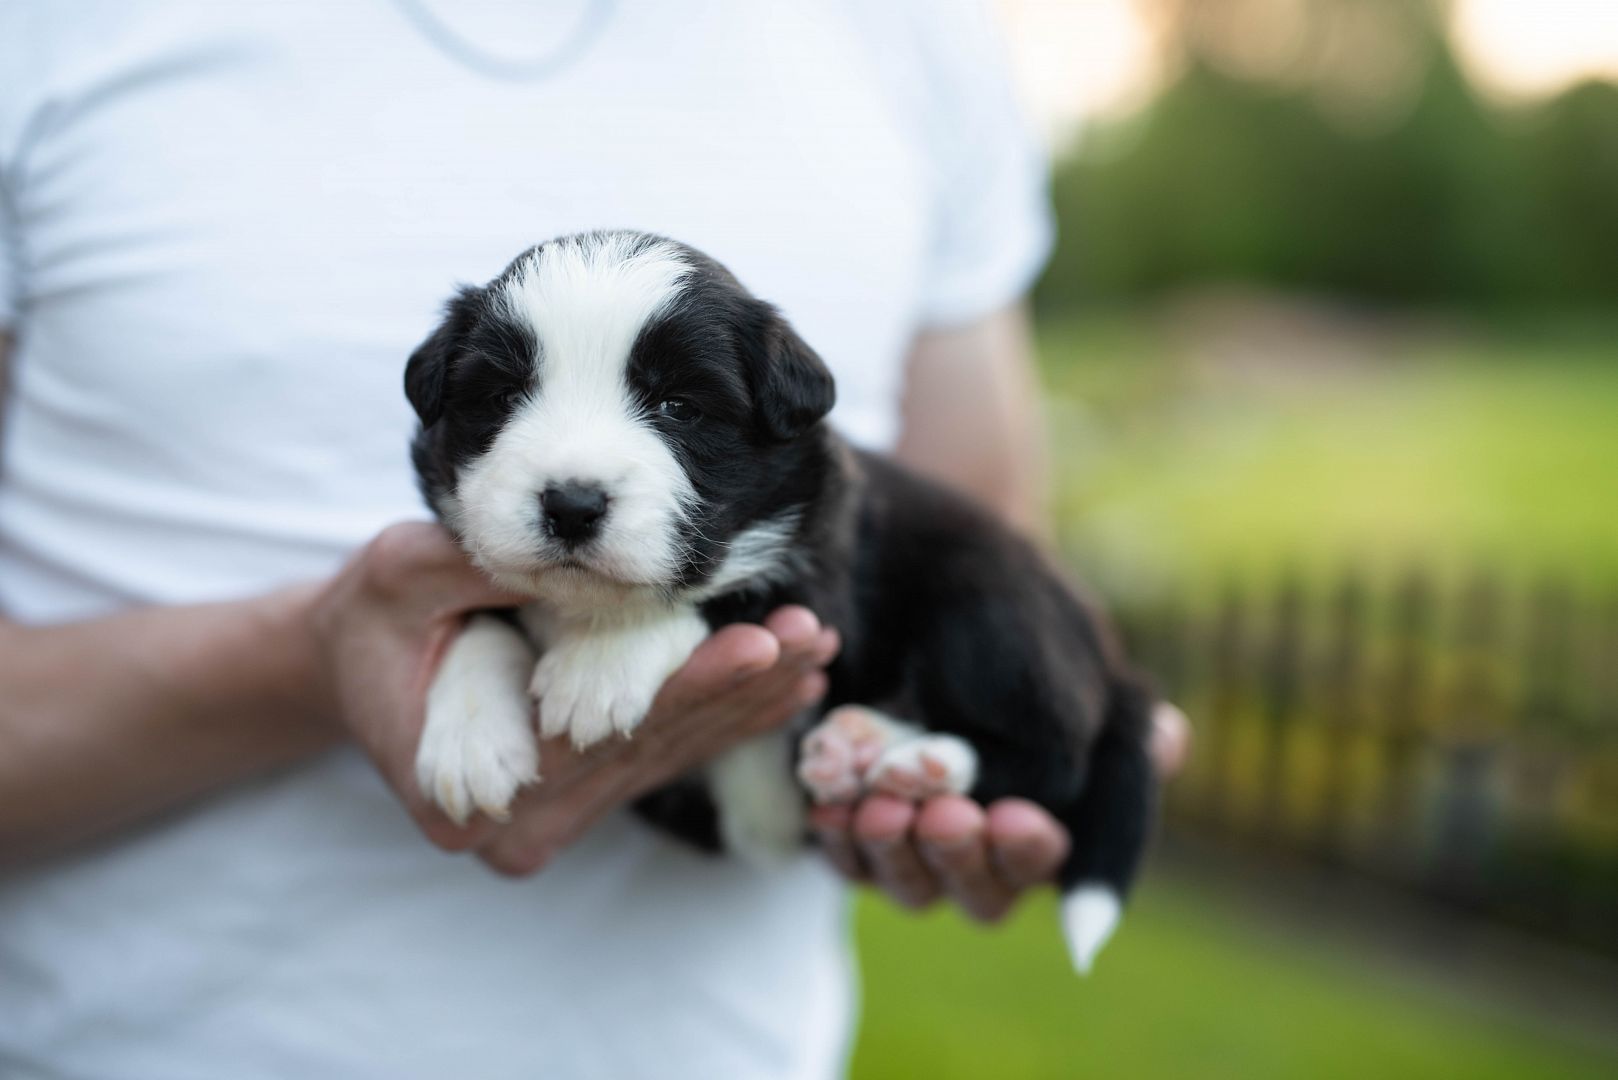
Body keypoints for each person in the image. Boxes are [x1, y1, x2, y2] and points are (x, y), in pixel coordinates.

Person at [0, 2, 1184, 1076]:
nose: (569, 471)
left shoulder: (916, 34)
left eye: (673, 404)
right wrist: (321, 655)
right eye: (504, 397)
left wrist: (944, 775)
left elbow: (964, 511)